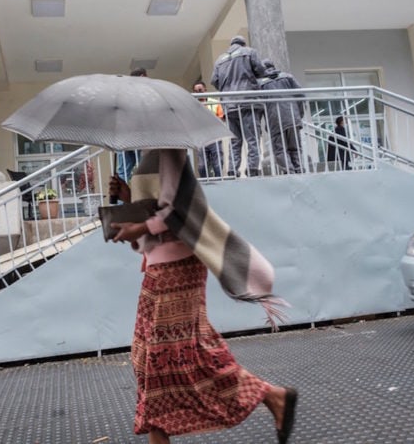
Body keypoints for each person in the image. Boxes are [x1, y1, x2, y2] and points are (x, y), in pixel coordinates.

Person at [107, 149, 298, 444]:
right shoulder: (151, 153)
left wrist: (141, 227)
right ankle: (273, 397)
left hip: (179, 268)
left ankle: (272, 396)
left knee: (168, 360)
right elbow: (157, 205)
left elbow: (178, 210)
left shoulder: (170, 149)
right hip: (157, 267)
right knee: (148, 359)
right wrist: (127, 197)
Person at [211, 36, 267, 177]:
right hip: (248, 102)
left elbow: (214, 80)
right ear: (243, 44)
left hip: (229, 105)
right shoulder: (249, 52)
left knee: (235, 141)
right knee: (252, 138)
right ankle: (252, 168)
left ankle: (232, 170)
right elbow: (261, 71)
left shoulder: (220, 59)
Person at [257, 60, 305, 174]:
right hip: (293, 118)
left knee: (280, 149)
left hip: (275, 120)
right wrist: (299, 114)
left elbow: (258, 106)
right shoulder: (288, 77)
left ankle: (289, 171)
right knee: (295, 147)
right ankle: (298, 170)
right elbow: (301, 95)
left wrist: (262, 124)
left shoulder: (260, 84)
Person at [116, 68, 149, 182]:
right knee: (141, 168)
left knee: (124, 170)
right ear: (141, 77)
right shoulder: (141, 93)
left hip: (125, 135)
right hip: (135, 135)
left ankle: (121, 199)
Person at [192, 80, 224, 178]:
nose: (198, 93)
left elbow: (221, 117)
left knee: (217, 165)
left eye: (200, 90)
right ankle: (206, 184)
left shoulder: (214, 102)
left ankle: (219, 184)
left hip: (214, 137)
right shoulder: (192, 105)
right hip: (201, 138)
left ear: (205, 90)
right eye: (196, 91)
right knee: (202, 166)